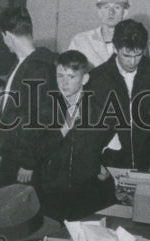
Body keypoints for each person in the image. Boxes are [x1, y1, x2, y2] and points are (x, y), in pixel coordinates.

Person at [86, 18, 150, 172]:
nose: (132, 62)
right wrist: (95, 162)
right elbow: (90, 132)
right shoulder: (96, 80)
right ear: (115, 49)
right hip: (108, 167)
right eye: (126, 55)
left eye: (138, 55)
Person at [40, 49, 115, 221]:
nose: (64, 83)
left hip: (87, 195)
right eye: (60, 76)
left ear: (85, 79)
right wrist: (62, 131)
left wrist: (105, 167)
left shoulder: (100, 112)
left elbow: (114, 147)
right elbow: (37, 150)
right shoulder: (46, 109)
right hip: (53, 193)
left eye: (71, 77)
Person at [0, 7, 59, 187]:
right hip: (13, 155)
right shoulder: (22, 64)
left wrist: (29, 162)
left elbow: (42, 118)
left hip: (24, 164)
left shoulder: (39, 68)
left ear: (7, 35)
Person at [67, 0, 130, 68]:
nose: (111, 12)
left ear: (125, 12)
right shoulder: (80, 41)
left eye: (117, 7)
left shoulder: (134, 42)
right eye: (106, 7)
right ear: (99, 11)